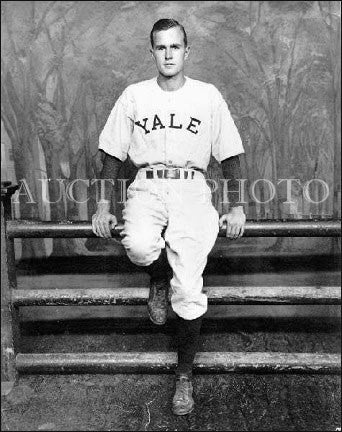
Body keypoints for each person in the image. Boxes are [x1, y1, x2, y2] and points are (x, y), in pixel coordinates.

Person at [92, 18, 246, 416]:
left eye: (174, 47)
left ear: (186, 50)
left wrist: (237, 205)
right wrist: (105, 206)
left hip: (192, 188)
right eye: (160, 48)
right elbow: (111, 152)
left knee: (190, 288)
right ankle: (157, 277)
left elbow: (230, 153)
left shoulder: (207, 96)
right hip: (147, 185)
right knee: (140, 246)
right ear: (152, 52)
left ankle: (183, 377)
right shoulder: (135, 95)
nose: (168, 54)